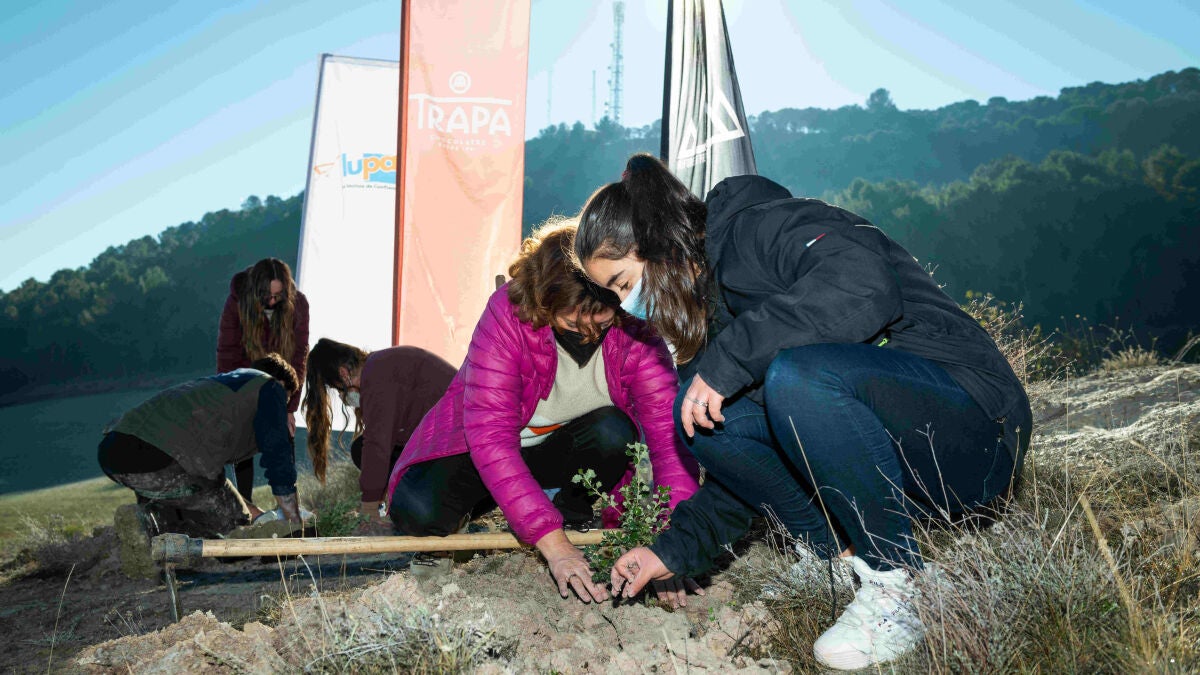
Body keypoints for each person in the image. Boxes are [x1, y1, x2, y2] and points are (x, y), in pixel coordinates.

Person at [574, 153, 1033, 670]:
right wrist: (673, 551)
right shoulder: (706, 313)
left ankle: (899, 580)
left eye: (623, 283)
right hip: (904, 473)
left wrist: (734, 358)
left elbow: (864, 283)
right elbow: (745, 465)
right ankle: (835, 555)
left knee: (798, 376)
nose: (626, 304)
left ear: (656, 243)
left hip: (975, 434)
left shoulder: (759, 227)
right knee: (702, 418)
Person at [384, 218, 701, 604]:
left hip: (561, 455)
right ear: (545, 301)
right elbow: (491, 439)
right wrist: (556, 548)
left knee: (615, 432)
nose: (589, 331)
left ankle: (568, 512)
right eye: (573, 320)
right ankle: (494, 523)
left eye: (601, 318)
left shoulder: (637, 330)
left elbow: (670, 444)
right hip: (482, 455)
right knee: (417, 508)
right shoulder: (508, 314)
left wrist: (676, 549)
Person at [99, 354, 306, 575]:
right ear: (279, 384)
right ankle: (150, 527)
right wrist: (293, 521)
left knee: (181, 521)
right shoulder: (270, 386)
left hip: (117, 451)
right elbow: (277, 454)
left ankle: (148, 527)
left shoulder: (217, 391)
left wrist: (259, 514)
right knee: (235, 529)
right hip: (163, 457)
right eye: (285, 401)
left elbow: (216, 484)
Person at [303, 339, 457, 530]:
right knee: (360, 449)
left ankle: (433, 509)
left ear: (344, 374)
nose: (342, 397)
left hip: (460, 448)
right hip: (447, 440)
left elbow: (378, 446)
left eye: (338, 389)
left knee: (371, 453)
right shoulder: (380, 366)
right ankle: (388, 506)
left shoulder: (378, 376)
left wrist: (368, 509)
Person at [216, 257, 310, 517]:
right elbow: (227, 353)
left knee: (284, 436)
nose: (271, 301)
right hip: (245, 380)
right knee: (242, 442)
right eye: (266, 295)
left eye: (278, 296)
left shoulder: (299, 305)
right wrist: (231, 399)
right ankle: (246, 509)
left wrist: (290, 407)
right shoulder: (236, 302)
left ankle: (290, 507)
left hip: (281, 381)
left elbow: (299, 356)